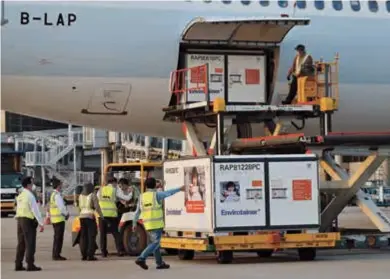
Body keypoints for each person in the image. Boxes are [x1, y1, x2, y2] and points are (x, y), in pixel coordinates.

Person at [133, 178, 185, 270]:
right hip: (156, 224)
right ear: (155, 185)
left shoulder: (142, 197)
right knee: (155, 243)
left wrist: (134, 223)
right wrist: (180, 189)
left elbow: (137, 212)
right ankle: (141, 258)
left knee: (155, 245)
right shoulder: (156, 195)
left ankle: (159, 263)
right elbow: (169, 192)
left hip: (147, 225)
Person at [97, 177, 132, 257]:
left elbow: (97, 200)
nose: (117, 185)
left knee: (102, 234)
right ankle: (120, 251)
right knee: (116, 233)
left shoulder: (100, 190)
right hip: (111, 215)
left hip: (101, 215)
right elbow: (127, 198)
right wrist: (130, 193)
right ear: (113, 183)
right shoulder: (114, 190)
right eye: (116, 184)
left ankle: (103, 253)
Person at [15, 176, 44, 272]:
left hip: (20, 220)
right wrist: (41, 223)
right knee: (30, 243)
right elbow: (35, 210)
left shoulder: (21, 195)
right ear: (28, 185)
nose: (32, 185)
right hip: (28, 221)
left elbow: (18, 208)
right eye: (31, 183)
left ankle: (18, 264)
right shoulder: (30, 195)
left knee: (21, 243)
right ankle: (30, 264)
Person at [79, 182, 104, 261]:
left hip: (82, 217)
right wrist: (101, 216)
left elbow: (79, 207)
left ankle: (84, 255)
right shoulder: (93, 195)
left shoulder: (80, 196)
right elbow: (97, 206)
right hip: (90, 217)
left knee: (83, 236)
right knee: (91, 236)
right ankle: (90, 255)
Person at [49, 178, 70, 261]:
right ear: (58, 185)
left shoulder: (53, 194)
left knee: (56, 238)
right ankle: (56, 255)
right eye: (61, 184)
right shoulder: (57, 195)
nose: (62, 186)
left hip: (54, 219)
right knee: (59, 238)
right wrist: (66, 214)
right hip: (59, 219)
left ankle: (55, 253)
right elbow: (61, 207)